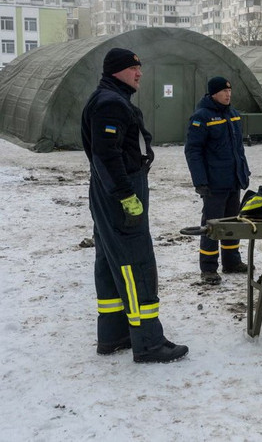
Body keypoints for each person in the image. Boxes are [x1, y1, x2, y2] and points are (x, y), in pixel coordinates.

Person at [81, 47, 188, 363]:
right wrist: (126, 196)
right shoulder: (109, 104)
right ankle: (148, 342)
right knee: (135, 263)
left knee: (110, 260)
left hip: (110, 191)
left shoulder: (110, 99)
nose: (139, 73)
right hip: (120, 193)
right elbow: (106, 154)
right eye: (133, 68)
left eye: (140, 67)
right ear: (116, 71)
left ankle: (114, 334)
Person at [185, 76, 251, 285]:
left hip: (233, 180)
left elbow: (238, 149)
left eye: (229, 91)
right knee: (212, 225)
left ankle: (231, 262)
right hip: (214, 183)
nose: (228, 94)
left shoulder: (233, 115)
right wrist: (200, 181)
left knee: (232, 222)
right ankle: (208, 268)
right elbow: (193, 151)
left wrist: (244, 172)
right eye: (223, 91)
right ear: (213, 93)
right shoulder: (201, 117)